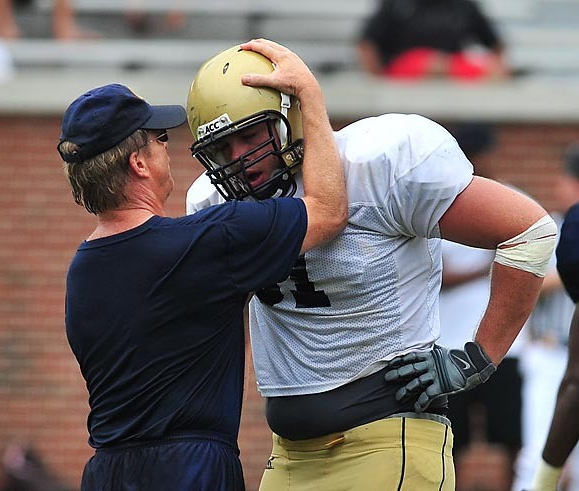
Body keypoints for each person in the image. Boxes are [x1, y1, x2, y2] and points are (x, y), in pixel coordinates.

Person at [185, 42, 557, 490]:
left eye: (251, 135)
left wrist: (480, 356)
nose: (240, 160)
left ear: (293, 117)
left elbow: (529, 232)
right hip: (288, 455)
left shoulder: (376, 165)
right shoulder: (210, 199)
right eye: (223, 147)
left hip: (386, 440)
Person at [57, 39, 347, 491]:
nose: (165, 149)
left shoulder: (82, 268)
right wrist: (309, 94)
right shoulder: (207, 241)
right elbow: (328, 210)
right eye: (159, 140)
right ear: (138, 163)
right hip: (188, 468)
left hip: (106, 471)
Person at [438, 124, 524, 489]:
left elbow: (536, 268)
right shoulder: (439, 204)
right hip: (449, 343)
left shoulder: (514, 201)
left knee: (509, 437)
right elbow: (436, 276)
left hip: (504, 345)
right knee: (449, 438)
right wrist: (488, 267)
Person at [527, 144, 579, 491]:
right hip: (550, 349)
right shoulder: (556, 227)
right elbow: (532, 281)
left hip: (566, 353)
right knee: (533, 453)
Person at [357, 0, 509, 81]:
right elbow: (367, 43)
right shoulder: (396, 4)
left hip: (453, 72)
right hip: (403, 72)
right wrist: (379, 81)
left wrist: (496, 69)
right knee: (433, 64)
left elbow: (495, 44)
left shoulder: (463, 6)